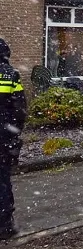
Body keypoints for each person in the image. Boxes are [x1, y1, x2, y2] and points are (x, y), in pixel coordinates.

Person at [0, 39, 26, 239]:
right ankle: (4, 225)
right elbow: (19, 110)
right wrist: (14, 134)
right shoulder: (10, 75)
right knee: (2, 179)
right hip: (3, 136)